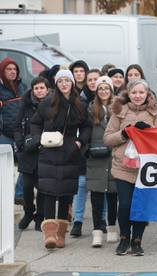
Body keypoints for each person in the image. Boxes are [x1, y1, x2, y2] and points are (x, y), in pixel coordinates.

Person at [30, 70, 91, 249]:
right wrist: (38, 140)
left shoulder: (80, 103)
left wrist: (80, 143)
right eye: (61, 81)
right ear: (56, 83)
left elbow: (86, 126)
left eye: (67, 80)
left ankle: (61, 233)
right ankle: (49, 234)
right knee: (48, 191)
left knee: (65, 192)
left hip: (70, 151)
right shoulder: (47, 102)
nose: (64, 84)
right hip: (49, 150)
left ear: (72, 83)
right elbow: (35, 123)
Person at [103, 79, 157, 256]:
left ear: (147, 94)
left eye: (141, 93)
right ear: (128, 94)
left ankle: (137, 239)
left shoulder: (155, 112)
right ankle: (124, 238)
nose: (138, 96)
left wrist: (149, 131)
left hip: (146, 169)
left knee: (141, 205)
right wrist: (124, 133)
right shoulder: (119, 111)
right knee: (125, 204)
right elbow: (107, 138)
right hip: (123, 167)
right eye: (134, 93)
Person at [14, 76, 51, 231]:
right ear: (33, 90)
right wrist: (20, 144)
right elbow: (17, 126)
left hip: (46, 151)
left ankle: (40, 217)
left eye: (42, 88)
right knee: (28, 186)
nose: (39, 91)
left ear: (47, 89)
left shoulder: (53, 104)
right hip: (28, 151)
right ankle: (29, 212)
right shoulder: (26, 104)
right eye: (36, 88)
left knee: (43, 187)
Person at [69, 68, 102, 237]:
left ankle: (102, 220)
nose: (93, 82)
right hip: (84, 148)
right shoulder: (80, 101)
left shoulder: (107, 100)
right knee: (81, 185)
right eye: (90, 80)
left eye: (96, 79)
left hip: (102, 148)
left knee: (101, 187)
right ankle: (78, 221)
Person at [87, 76, 118, 247]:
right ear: (96, 91)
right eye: (101, 88)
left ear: (111, 90)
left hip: (114, 157)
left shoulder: (119, 108)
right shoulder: (91, 109)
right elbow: (85, 131)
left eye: (107, 88)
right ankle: (97, 231)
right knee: (97, 197)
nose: (104, 91)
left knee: (113, 196)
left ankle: (112, 228)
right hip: (96, 157)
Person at [0, 57, 26, 205]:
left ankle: (19, 194)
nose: (12, 72)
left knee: (26, 164)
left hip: (20, 134)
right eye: (8, 69)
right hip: (4, 135)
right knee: (3, 167)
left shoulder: (22, 86)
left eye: (14, 69)